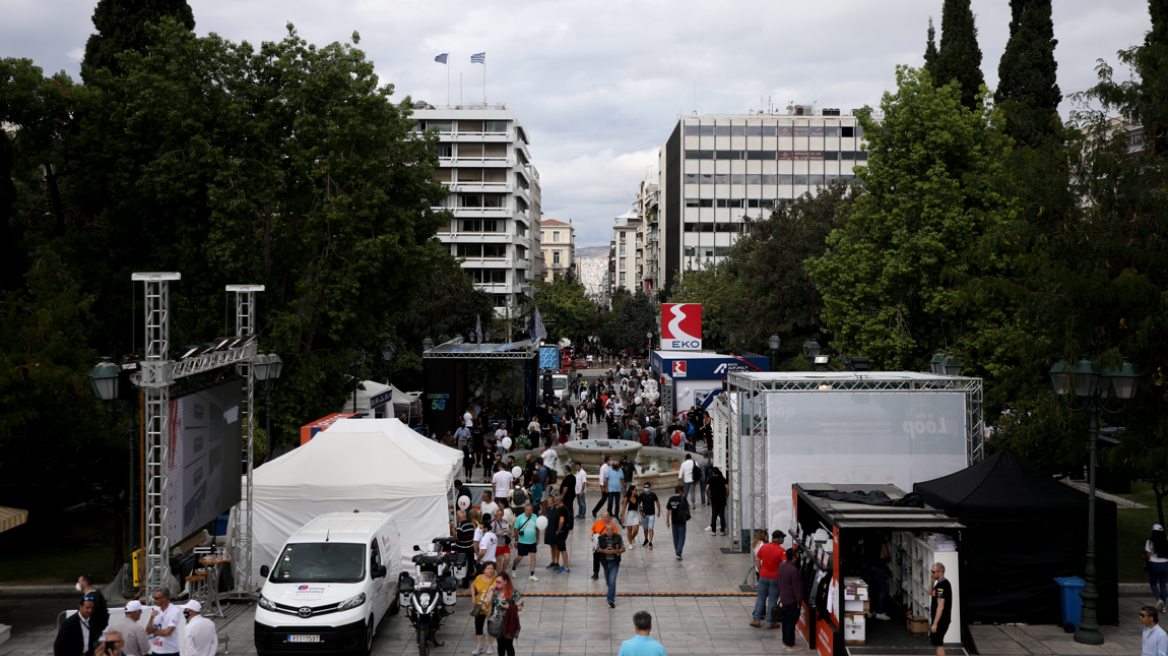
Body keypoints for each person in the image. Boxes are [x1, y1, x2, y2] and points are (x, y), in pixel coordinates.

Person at [751, 530, 787, 629]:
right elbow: (785, 564)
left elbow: (757, 559)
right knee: (772, 599)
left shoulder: (764, 547)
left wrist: (761, 570)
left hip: (763, 576)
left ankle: (756, 619)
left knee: (761, 597)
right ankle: (770, 622)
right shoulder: (782, 550)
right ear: (779, 539)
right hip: (775, 578)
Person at [484, 572, 524, 656]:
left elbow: (520, 607)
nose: (497, 584)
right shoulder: (495, 592)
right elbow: (488, 601)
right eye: (496, 581)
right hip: (497, 621)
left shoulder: (514, 593)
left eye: (499, 582)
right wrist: (492, 589)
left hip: (508, 622)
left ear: (505, 581)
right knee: (500, 644)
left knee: (509, 644)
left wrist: (509, 607)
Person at [777, 548, 805, 652]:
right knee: (791, 623)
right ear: (793, 557)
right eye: (797, 556)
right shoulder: (794, 571)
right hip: (792, 601)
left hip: (784, 598)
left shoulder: (782, 565)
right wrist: (799, 603)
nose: (798, 558)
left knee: (785, 621)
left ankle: (785, 641)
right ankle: (790, 644)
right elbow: (797, 590)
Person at [861, 531, 892, 621]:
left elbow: (862, 553)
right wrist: (885, 561)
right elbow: (887, 555)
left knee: (869, 587)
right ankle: (880, 612)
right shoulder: (880, 538)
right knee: (883, 588)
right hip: (875, 565)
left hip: (866, 565)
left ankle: (870, 610)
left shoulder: (867, 536)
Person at [470, 561, 498, 655]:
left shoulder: (497, 579)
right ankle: (480, 646)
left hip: (492, 608)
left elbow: (500, 589)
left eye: (492, 568)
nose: (490, 570)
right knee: (478, 627)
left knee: (491, 627)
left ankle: (490, 645)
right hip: (480, 608)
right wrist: (473, 597)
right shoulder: (478, 578)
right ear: (483, 570)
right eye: (488, 568)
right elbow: (473, 585)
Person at [597, 522, 626, 608]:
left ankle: (610, 600)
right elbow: (598, 548)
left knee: (612, 581)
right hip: (605, 563)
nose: (609, 531)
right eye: (608, 529)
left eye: (611, 529)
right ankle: (611, 592)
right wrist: (604, 551)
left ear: (613, 530)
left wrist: (615, 551)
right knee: (608, 581)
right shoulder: (601, 538)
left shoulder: (618, 537)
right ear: (606, 530)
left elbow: (623, 549)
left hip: (614, 563)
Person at [77, 574, 109, 649]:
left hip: (91, 633)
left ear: (84, 583)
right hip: (95, 632)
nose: (78, 584)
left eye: (79, 582)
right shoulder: (97, 594)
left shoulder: (90, 598)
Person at [145, 589, 181, 656]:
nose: (154, 600)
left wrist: (154, 631)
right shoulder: (154, 611)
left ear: (164, 598)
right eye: (154, 598)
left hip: (171, 651)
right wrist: (151, 618)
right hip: (156, 651)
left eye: (156, 598)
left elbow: (168, 632)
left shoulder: (174, 611)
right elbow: (148, 632)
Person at [512, 503, 540, 581]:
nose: (528, 511)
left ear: (532, 510)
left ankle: (532, 574)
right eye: (526, 509)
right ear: (525, 509)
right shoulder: (520, 518)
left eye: (529, 510)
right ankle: (514, 568)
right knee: (520, 557)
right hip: (522, 542)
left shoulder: (535, 516)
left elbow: (537, 528)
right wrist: (516, 541)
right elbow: (516, 529)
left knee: (533, 556)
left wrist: (537, 539)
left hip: (532, 541)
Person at [929, 562, 953, 656]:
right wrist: (931, 582)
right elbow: (930, 593)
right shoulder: (938, 584)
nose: (931, 573)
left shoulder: (942, 586)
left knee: (938, 645)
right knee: (935, 642)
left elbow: (940, 606)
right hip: (938, 619)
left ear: (940, 572)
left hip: (941, 620)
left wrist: (935, 624)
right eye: (931, 571)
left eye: (933, 572)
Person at [591, 511, 620, 580]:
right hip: (598, 544)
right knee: (596, 558)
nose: (604, 518)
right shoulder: (597, 522)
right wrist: (590, 535)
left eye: (605, 517)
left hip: (607, 544)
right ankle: (595, 573)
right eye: (603, 517)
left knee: (606, 559)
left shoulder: (611, 524)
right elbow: (593, 529)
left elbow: (616, 535)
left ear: (608, 517)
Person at [1148, 524, 1168, 613]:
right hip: (1165, 565)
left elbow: (1148, 555)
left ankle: (1159, 600)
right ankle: (1164, 607)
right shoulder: (1166, 542)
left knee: (1153, 583)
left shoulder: (1150, 542)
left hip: (1155, 565)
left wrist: (1144, 556)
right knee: (1163, 585)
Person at [454, 509, 476, 588]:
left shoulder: (460, 525)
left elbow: (458, 537)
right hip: (470, 549)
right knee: (468, 566)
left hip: (461, 550)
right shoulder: (471, 524)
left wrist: (452, 530)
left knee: (461, 566)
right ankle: (466, 583)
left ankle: (461, 581)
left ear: (459, 516)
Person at [638, 483, 661, 549]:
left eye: (647, 487)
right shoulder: (642, 495)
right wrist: (642, 512)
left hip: (652, 513)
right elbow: (639, 504)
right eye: (645, 487)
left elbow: (657, 502)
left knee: (651, 527)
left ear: (650, 487)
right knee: (645, 528)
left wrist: (659, 511)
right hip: (644, 514)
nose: (646, 488)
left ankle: (650, 541)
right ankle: (646, 539)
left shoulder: (653, 495)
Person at [622, 482, 641, 548]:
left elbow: (639, 505)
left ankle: (632, 538)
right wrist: (622, 517)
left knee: (636, 530)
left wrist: (640, 508)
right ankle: (630, 543)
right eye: (635, 489)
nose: (636, 491)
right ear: (631, 490)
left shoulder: (637, 497)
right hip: (629, 514)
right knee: (629, 530)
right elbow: (623, 508)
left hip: (635, 514)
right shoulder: (626, 498)